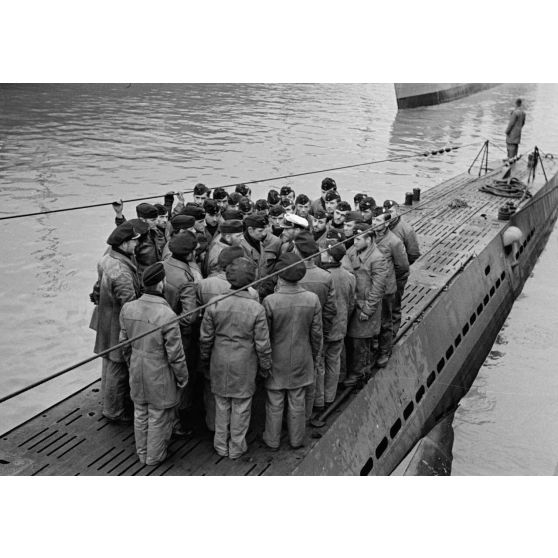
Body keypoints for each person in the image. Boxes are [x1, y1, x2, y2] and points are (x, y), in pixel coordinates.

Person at [199, 257, 272, 459]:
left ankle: (220, 445)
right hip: (245, 364)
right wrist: (265, 367)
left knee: (221, 403)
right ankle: (236, 447)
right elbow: (262, 344)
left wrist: (205, 360)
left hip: (219, 360)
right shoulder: (256, 309)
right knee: (241, 406)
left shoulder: (214, 303)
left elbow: (205, 338)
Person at [119, 262, 188, 466]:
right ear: (161, 284)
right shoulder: (166, 315)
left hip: (136, 368)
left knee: (140, 411)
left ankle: (142, 453)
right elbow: (175, 354)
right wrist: (183, 377)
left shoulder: (128, 308)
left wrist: (131, 363)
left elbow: (124, 344)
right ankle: (154, 457)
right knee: (158, 415)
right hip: (159, 371)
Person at [262, 253, 323, 450]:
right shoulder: (312, 299)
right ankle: (297, 439)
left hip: (276, 359)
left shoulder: (270, 301)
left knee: (274, 402)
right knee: (298, 401)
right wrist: (313, 356)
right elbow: (316, 334)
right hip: (301, 357)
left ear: (280, 276)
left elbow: (264, 336)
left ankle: (272, 439)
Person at [92, 222, 142, 422]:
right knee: (117, 369)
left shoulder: (107, 259)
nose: (136, 245)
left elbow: (97, 289)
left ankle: (109, 402)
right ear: (125, 243)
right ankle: (113, 411)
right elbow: (129, 305)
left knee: (109, 365)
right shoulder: (121, 271)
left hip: (105, 320)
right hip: (116, 325)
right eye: (134, 242)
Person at [293, 231, 337, 416]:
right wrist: (325, 330)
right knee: (317, 365)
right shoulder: (325, 276)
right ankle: (317, 403)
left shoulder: (291, 275)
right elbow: (330, 309)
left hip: (294, 331)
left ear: (298, 251)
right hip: (317, 328)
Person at [162, 232, 202, 431]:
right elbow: (190, 316)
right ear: (189, 254)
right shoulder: (186, 278)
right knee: (183, 376)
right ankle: (178, 422)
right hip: (180, 336)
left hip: (159, 329)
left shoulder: (163, 265)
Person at [342, 223, 388, 387]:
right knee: (352, 342)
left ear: (369, 240)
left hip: (365, 307)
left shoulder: (377, 258)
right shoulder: (353, 251)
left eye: (358, 238)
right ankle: (355, 371)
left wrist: (368, 310)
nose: (354, 241)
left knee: (361, 343)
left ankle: (360, 374)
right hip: (353, 304)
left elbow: (378, 288)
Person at [319, 240, 355, 405]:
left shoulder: (323, 277)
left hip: (323, 328)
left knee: (320, 364)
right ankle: (330, 397)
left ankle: (318, 400)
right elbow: (351, 303)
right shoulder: (349, 276)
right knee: (334, 361)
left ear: (328, 255)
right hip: (340, 326)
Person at [372, 213, 409, 368]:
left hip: (386, 290)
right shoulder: (369, 237)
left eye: (378, 220)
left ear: (386, 223)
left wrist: (390, 280)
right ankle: (374, 348)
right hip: (371, 288)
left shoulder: (394, 242)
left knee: (385, 323)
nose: (374, 222)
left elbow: (403, 267)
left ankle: (384, 352)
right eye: (374, 219)